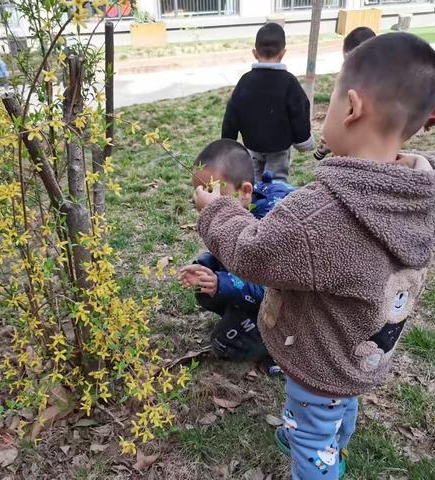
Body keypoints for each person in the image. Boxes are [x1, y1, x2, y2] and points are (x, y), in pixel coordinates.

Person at [193, 33, 435, 479]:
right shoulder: (416, 194)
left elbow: (252, 254)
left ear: (352, 107)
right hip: (359, 352)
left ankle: (318, 455)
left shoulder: (322, 214)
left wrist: (219, 212)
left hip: (320, 358)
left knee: (312, 434)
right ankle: (330, 440)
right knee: (339, 404)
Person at [179, 139, 295, 366]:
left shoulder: (273, 223)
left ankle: (282, 351)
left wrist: (221, 283)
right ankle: (245, 318)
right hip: (258, 289)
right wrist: (207, 265)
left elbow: (274, 287)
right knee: (206, 291)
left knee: (225, 344)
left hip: (289, 307)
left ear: (245, 191)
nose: (204, 203)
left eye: (213, 194)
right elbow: (229, 250)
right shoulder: (243, 205)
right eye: (201, 194)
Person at [222, 23, 314, 182]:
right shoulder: (289, 82)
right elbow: (299, 111)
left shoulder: (245, 81)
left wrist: (228, 142)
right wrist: (303, 139)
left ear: (255, 53)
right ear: (283, 53)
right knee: (276, 180)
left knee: (254, 178)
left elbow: (232, 112)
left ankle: (255, 202)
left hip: (253, 145)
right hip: (279, 147)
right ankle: (274, 204)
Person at [314, 26, 376, 161]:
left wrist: (331, 139)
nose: (349, 67)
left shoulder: (356, 85)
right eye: (346, 62)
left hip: (357, 148)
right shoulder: (382, 81)